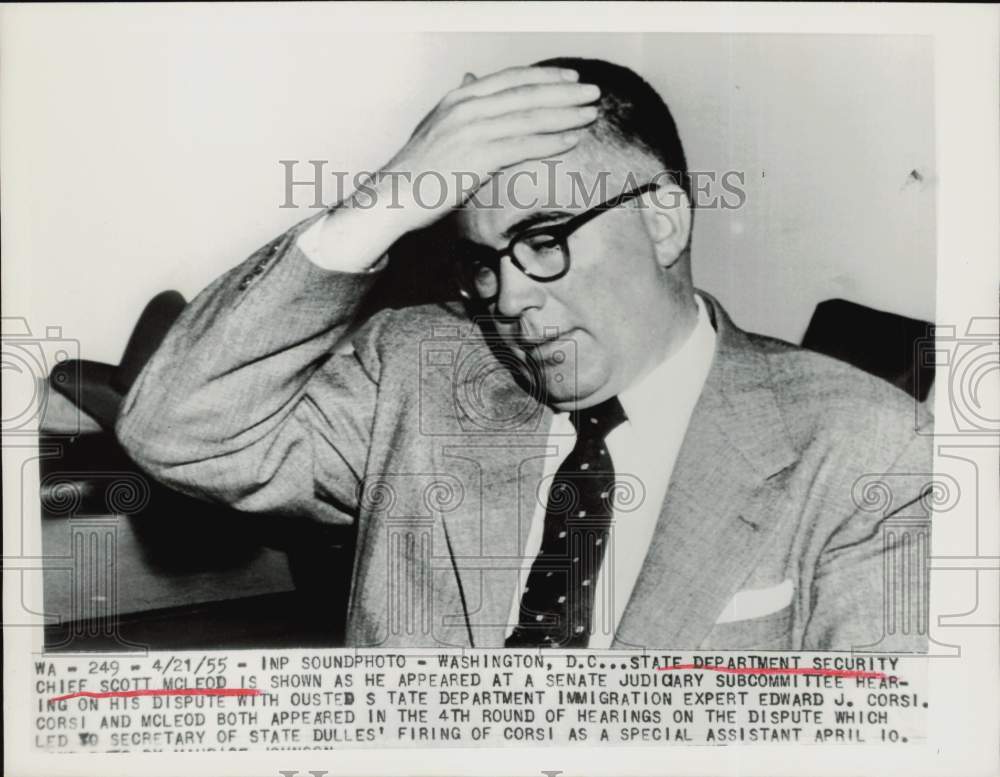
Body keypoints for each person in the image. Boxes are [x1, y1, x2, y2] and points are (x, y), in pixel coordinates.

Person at [116, 57, 933, 651]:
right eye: (484, 260)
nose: (506, 298)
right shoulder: (418, 370)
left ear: (664, 220)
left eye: (543, 240)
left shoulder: (867, 447)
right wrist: (386, 200)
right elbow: (177, 430)